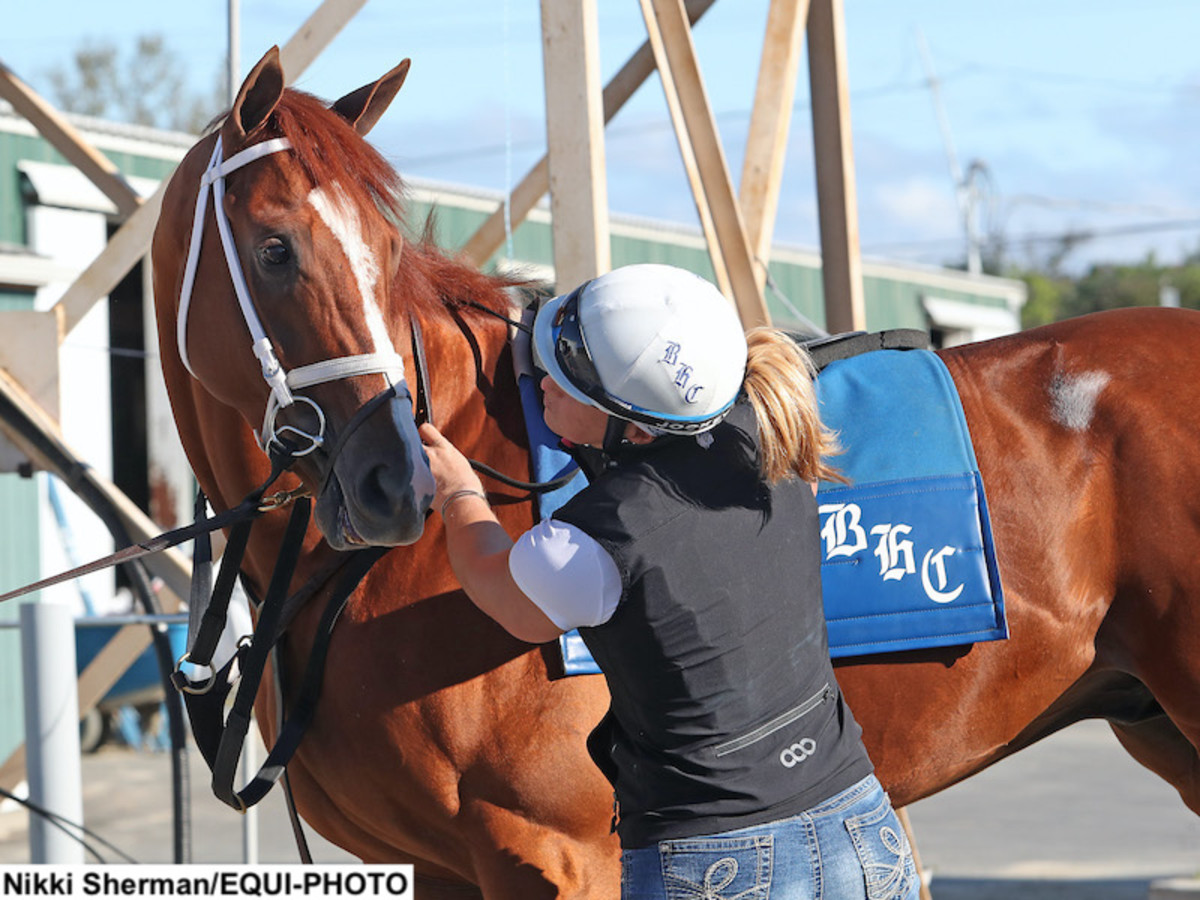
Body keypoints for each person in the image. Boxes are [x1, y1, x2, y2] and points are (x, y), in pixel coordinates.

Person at [419, 263, 919, 899]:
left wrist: (459, 490)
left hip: (717, 860)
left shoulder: (593, 540)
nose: (542, 380)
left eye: (567, 378)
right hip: (860, 825)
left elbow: (501, 591)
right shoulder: (771, 436)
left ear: (634, 427)